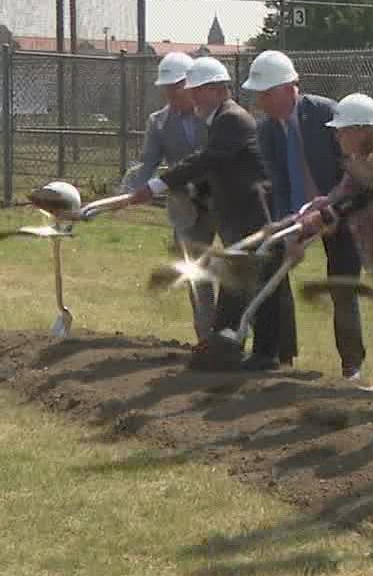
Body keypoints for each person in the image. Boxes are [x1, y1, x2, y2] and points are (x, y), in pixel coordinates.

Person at [123, 56, 288, 370]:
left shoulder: (232, 118)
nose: (192, 96)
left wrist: (156, 185)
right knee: (243, 281)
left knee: (256, 283)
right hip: (238, 213)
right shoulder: (219, 118)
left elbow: (206, 160)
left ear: (216, 89)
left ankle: (259, 353)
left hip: (253, 212)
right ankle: (232, 346)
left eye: (197, 90)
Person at [243, 49, 362, 379]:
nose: (261, 102)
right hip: (299, 213)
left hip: (340, 213)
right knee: (269, 263)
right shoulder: (267, 131)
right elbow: (279, 185)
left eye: (266, 94)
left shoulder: (326, 113)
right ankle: (276, 355)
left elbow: (352, 172)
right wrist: (292, 231)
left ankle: (352, 368)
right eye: (259, 95)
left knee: (342, 287)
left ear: (288, 88)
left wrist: (332, 209)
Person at [296, 94, 373, 394]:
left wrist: (325, 214)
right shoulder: (358, 163)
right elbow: (342, 194)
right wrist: (321, 204)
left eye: (342, 130)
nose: (337, 136)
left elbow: (352, 201)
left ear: (362, 131)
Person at [124, 51, 216, 339]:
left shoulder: (216, 116)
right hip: (186, 207)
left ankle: (235, 333)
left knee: (238, 264)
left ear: (191, 87)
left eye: (175, 89)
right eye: (167, 90)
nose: (170, 96)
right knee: (195, 271)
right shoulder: (159, 121)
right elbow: (148, 163)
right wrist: (127, 192)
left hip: (222, 200)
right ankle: (206, 336)